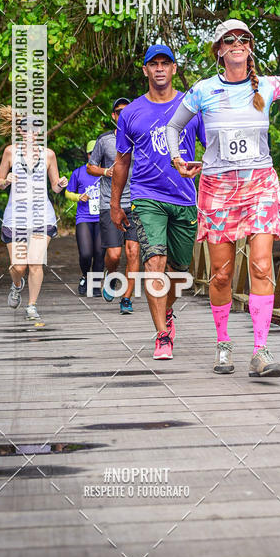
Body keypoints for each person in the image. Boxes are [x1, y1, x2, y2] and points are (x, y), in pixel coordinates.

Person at [166, 16, 280, 377]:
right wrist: (177, 159)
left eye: (243, 38)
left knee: (262, 264)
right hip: (218, 187)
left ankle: (261, 350)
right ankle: (223, 345)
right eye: (228, 39)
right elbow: (173, 127)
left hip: (259, 183)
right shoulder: (203, 90)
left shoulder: (268, 86)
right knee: (221, 274)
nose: (237, 42)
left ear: (250, 47)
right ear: (219, 50)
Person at [110, 44, 206, 360]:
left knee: (180, 270)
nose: (160, 68)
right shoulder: (132, 112)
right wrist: (115, 203)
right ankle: (162, 337)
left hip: (184, 197)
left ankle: (165, 312)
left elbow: (213, 149)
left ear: (174, 69)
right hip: (146, 197)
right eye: (154, 64)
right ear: (146, 71)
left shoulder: (191, 106)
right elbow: (122, 162)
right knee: (155, 262)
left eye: (166, 63)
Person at [0, 105, 68, 326]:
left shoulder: (48, 155)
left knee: (35, 263)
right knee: (19, 266)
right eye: (26, 129)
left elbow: (54, 186)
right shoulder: (10, 151)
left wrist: (60, 185)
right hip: (15, 216)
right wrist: (6, 180)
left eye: (35, 129)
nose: (30, 132)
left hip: (41, 215)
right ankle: (17, 285)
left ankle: (32, 305)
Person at [87, 98, 139, 315]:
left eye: (128, 111)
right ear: (113, 116)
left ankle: (126, 299)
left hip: (137, 203)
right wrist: (105, 171)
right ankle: (111, 275)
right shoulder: (105, 140)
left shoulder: (141, 138)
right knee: (115, 255)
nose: (123, 115)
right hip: (111, 202)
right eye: (119, 112)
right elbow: (90, 167)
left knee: (134, 251)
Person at [65, 141, 104, 296]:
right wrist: (78, 197)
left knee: (100, 253)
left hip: (103, 217)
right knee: (86, 253)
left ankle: (95, 285)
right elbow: (68, 192)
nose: (93, 156)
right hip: (84, 217)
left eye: (96, 153)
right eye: (90, 153)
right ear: (87, 155)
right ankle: (85, 276)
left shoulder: (106, 172)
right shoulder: (79, 172)